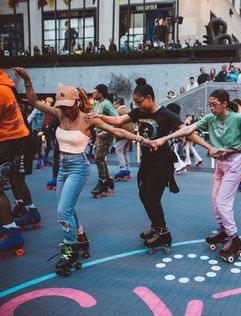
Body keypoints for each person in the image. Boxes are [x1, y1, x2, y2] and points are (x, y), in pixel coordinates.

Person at [13, 67, 153, 275]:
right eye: (63, 107)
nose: (66, 110)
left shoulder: (88, 119)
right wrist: (27, 80)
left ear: (77, 102)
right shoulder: (59, 114)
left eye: (68, 106)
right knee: (67, 208)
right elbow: (33, 101)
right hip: (63, 168)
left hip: (79, 167)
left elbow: (116, 130)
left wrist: (141, 139)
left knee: (63, 211)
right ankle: (81, 238)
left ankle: (70, 249)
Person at [88, 78, 215, 253]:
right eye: (135, 103)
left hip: (162, 162)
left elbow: (188, 132)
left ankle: (163, 232)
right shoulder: (139, 112)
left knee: (151, 197)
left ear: (149, 98)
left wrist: (209, 147)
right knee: (143, 194)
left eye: (139, 102)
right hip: (147, 161)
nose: (137, 106)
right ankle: (156, 227)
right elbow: (118, 121)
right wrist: (98, 116)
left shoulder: (166, 115)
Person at [152, 89, 241, 262]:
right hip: (221, 164)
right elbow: (189, 129)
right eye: (209, 105)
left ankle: (234, 238)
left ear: (224, 104)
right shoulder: (210, 118)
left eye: (214, 104)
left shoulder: (238, 119)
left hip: (234, 163)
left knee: (223, 202)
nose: (211, 108)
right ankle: (223, 230)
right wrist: (165, 138)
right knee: (215, 199)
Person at [0, 67, 30, 259]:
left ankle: (11, 232)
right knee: (16, 182)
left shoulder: (1, 91)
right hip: (14, 141)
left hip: (7, 143)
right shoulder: (6, 87)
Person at [91, 84, 119, 198]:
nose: (93, 94)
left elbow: (117, 119)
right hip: (98, 133)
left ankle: (102, 182)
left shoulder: (107, 104)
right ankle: (108, 181)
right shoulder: (96, 103)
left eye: (95, 92)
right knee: (100, 158)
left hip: (105, 135)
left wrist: (107, 131)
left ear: (101, 93)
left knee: (98, 158)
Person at [112, 97, 134, 181]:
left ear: (118, 103)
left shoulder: (118, 111)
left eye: (114, 104)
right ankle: (127, 169)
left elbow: (116, 123)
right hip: (130, 134)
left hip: (122, 134)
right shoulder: (127, 110)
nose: (114, 106)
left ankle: (123, 169)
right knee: (125, 151)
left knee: (119, 151)